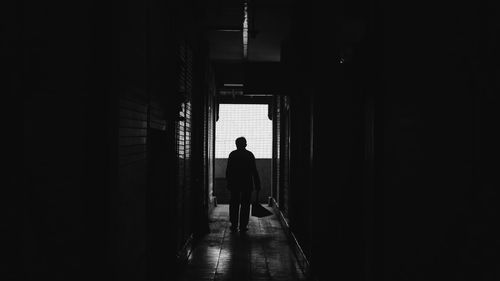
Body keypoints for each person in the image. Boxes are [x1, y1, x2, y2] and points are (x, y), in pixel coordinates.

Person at [225, 137, 261, 232]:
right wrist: (257, 184)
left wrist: (228, 182)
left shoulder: (233, 154)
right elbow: (254, 171)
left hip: (235, 183)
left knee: (234, 204)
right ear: (245, 144)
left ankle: (234, 224)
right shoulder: (249, 155)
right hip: (247, 183)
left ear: (236, 144)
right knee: (245, 204)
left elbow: (228, 170)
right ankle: (243, 225)